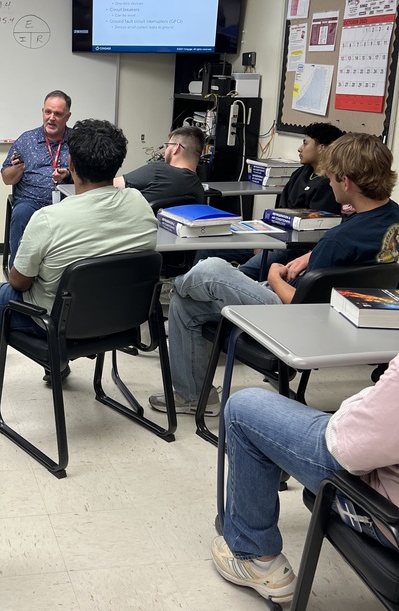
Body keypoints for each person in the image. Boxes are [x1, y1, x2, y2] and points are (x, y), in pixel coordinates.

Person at [149, 133, 399, 417]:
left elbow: (298, 305)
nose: (328, 183)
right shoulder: (390, 219)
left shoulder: (340, 239)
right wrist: (310, 257)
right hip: (349, 323)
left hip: (295, 323)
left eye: (330, 178)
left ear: (346, 182)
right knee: (186, 306)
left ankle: (172, 286)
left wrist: (275, 275)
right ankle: (192, 396)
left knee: (212, 269)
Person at [0, 118, 158, 407]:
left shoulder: (49, 218)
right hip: (121, 320)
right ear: (117, 163)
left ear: (71, 164)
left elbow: (19, 282)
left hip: (53, 323)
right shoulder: (139, 202)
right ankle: (57, 364)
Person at [212, 357, 399, 603]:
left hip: (384, 514)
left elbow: (348, 448)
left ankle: (255, 558)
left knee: (241, 408)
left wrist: (359, 402)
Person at [236, 121, 344, 280]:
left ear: (322, 148)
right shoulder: (301, 173)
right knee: (211, 250)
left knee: (242, 273)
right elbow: (279, 209)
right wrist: (263, 239)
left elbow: (312, 231)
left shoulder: (329, 185)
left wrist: (268, 244)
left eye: (305, 143)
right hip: (272, 237)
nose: (300, 149)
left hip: (292, 248)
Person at [1, 90, 72, 262]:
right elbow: (6, 178)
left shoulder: (77, 140)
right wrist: (16, 169)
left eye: (58, 114)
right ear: (42, 112)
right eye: (48, 112)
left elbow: (89, 176)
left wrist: (68, 175)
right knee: (20, 214)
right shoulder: (26, 140)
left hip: (67, 202)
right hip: (30, 201)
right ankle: (17, 273)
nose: (51, 118)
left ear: (67, 116)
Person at [114, 126, 206, 206]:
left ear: (176, 148)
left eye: (168, 146)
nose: (165, 151)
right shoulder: (198, 189)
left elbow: (111, 184)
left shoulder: (157, 171)